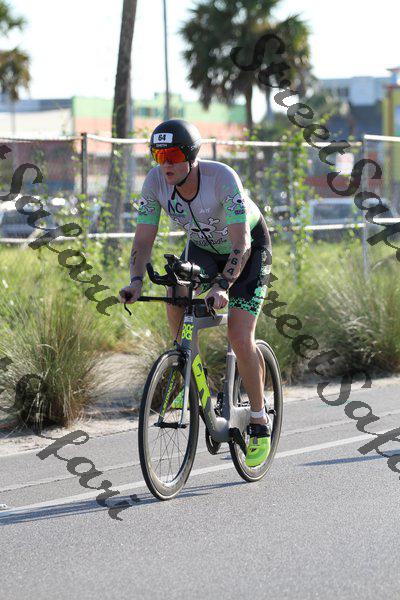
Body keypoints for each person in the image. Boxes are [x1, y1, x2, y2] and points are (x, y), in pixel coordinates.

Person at [119, 119, 272, 467]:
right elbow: (143, 239)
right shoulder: (155, 182)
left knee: (239, 336)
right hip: (202, 248)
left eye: (173, 156)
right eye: (159, 156)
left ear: (190, 156)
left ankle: (259, 419)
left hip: (247, 249)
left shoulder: (222, 178)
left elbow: (241, 242)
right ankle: (188, 373)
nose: (166, 164)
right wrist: (136, 281)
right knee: (176, 289)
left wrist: (223, 285)